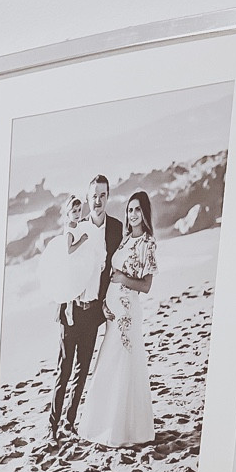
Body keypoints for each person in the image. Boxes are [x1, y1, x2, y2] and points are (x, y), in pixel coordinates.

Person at [78, 189, 157, 450]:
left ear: (145, 213)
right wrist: (103, 302)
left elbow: (146, 286)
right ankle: (102, 423)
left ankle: (125, 428)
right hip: (112, 313)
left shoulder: (147, 243)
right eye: (130, 209)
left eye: (137, 210)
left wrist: (123, 280)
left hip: (127, 314)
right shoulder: (124, 241)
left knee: (124, 363)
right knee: (108, 363)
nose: (132, 214)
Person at [49, 173, 121, 441]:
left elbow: (116, 267)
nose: (98, 200)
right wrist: (67, 303)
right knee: (64, 371)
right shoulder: (75, 226)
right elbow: (63, 269)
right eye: (94, 196)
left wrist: (110, 304)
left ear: (108, 197)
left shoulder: (115, 228)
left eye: (103, 195)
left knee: (82, 372)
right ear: (88, 198)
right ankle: (52, 426)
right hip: (71, 311)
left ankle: (69, 422)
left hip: (94, 313)